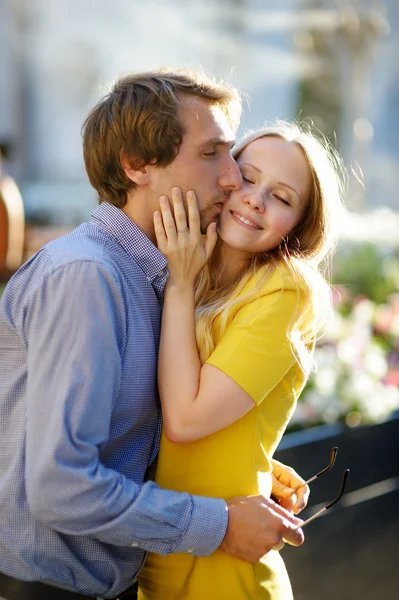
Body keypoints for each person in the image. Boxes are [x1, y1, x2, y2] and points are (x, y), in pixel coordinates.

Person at [0, 70, 307, 600]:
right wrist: (220, 522)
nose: (233, 179)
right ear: (137, 165)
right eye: (213, 153)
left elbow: (120, 433)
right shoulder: (87, 276)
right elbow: (62, 487)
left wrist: (241, 465)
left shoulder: (159, 274)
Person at [138, 121, 344, 599]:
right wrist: (257, 460)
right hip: (155, 556)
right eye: (248, 177)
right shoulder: (187, 261)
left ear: (300, 225)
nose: (255, 199)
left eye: (283, 197)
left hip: (222, 573)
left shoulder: (286, 292)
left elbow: (186, 420)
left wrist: (181, 285)